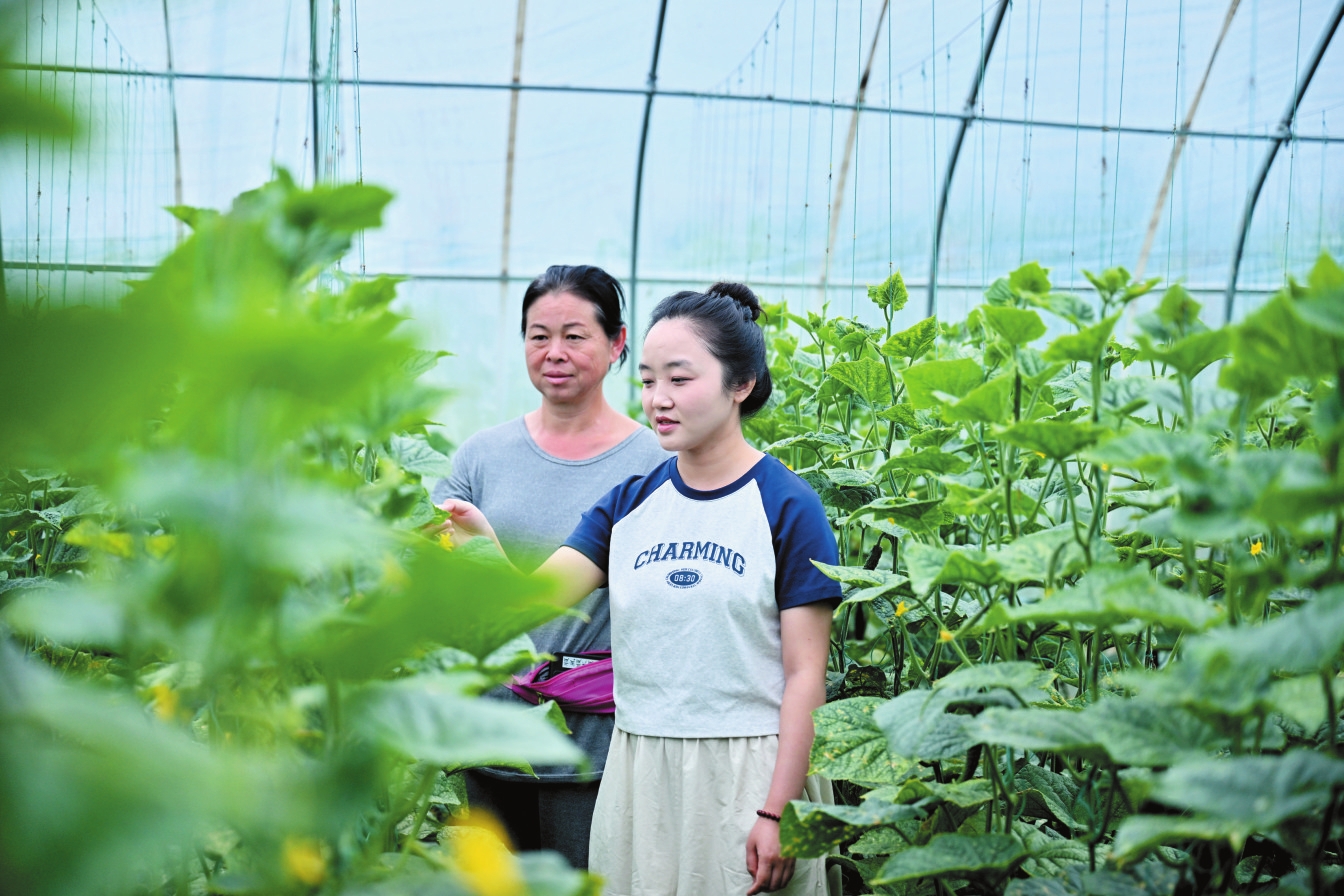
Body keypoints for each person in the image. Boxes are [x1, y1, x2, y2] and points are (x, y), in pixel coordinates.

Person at [441, 282, 840, 895]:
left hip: (749, 773)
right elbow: (535, 600)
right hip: (639, 773)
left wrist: (778, 810)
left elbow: (805, 676)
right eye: (650, 381)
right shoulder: (630, 503)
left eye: (680, 379)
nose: (659, 399)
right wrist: (482, 544)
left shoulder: (787, 506)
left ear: (741, 383)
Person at [431, 264, 669, 870]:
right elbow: (438, 575)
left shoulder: (654, 462)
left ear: (616, 343)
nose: (554, 352)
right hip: (490, 730)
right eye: (539, 336)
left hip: (594, 741)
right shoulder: (481, 455)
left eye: (574, 336)